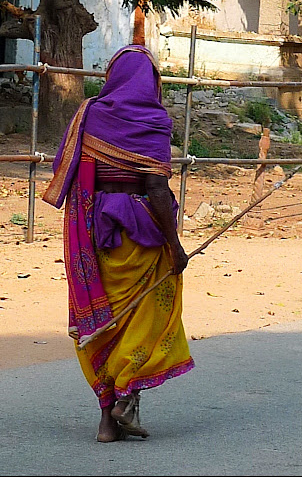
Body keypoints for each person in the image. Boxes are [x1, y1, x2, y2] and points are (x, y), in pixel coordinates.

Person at [42, 44, 193, 442]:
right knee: (144, 317)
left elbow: (69, 173)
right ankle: (128, 395)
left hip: (91, 236)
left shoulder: (89, 114)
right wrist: (175, 247)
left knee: (102, 324)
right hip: (139, 236)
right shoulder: (153, 120)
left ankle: (108, 420)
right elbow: (157, 190)